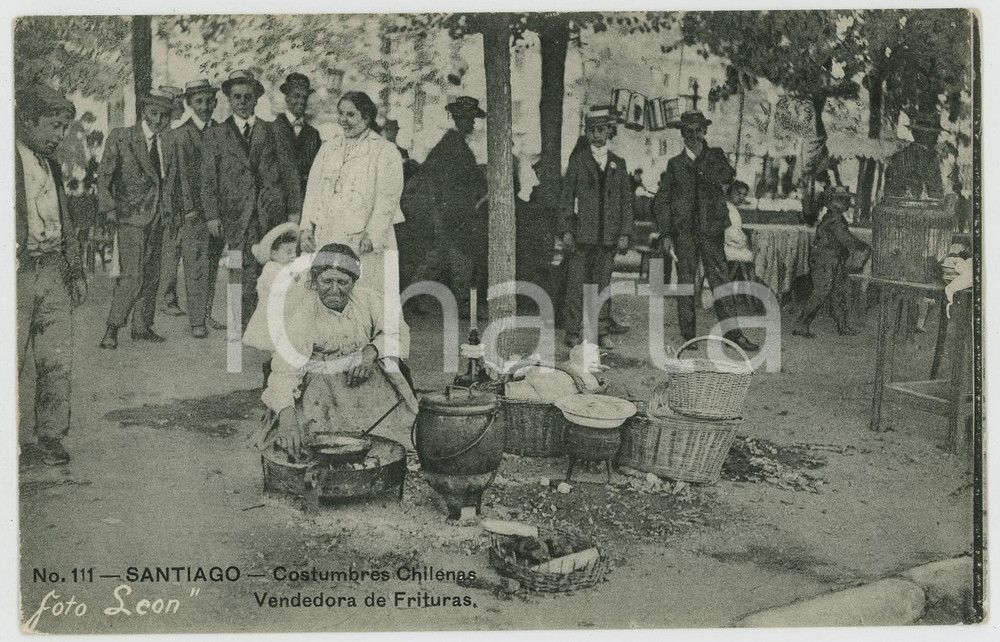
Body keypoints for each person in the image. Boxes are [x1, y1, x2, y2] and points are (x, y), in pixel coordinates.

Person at [259, 244, 418, 456]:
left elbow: (398, 332)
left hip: (366, 379)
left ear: (354, 282)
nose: (334, 290)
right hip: (323, 390)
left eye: (343, 282)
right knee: (318, 445)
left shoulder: (369, 300)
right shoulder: (304, 315)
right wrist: (287, 417)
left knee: (393, 439)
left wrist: (371, 351)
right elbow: (284, 371)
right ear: (314, 282)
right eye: (327, 281)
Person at [16, 84, 87, 465]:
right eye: (53, 126)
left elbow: (65, 220)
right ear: (27, 121)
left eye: (64, 127)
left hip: (54, 271)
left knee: (57, 359)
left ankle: (51, 436)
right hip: (17, 274)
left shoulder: (53, 165)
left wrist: (74, 271)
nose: (60, 135)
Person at [201, 69, 302, 332]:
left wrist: (293, 211)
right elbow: (208, 180)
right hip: (235, 216)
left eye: (248, 96)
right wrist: (212, 215)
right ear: (229, 100)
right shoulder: (216, 135)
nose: (243, 101)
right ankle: (241, 327)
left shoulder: (273, 131)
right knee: (238, 272)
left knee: (269, 272)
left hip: (270, 214)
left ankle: (267, 327)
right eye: (237, 97)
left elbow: (289, 172)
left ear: (256, 98)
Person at [654, 111, 759, 352]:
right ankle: (689, 335)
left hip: (711, 231)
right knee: (687, 283)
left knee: (720, 282)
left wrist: (702, 157)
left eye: (697, 130)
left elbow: (727, 176)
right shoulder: (675, 165)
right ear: (682, 134)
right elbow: (663, 201)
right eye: (688, 131)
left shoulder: (715, 157)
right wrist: (667, 234)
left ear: (704, 131)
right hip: (686, 233)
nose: (693, 135)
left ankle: (735, 335)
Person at [299, 91, 404, 302]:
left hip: (363, 237)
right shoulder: (329, 147)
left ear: (366, 118)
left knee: (364, 293)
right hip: (328, 233)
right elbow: (313, 190)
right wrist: (306, 228)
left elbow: (388, 198)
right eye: (341, 114)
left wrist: (373, 235)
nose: (343, 121)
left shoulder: (384, 150)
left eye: (350, 115)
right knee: (325, 288)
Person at [98, 88, 179, 349]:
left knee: (152, 274)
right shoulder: (122, 137)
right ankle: (112, 329)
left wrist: (169, 211)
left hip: (158, 218)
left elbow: (169, 181)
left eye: (165, 116)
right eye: (155, 113)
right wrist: (109, 209)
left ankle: (142, 327)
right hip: (130, 218)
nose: (159, 120)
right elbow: (104, 177)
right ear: (144, 111)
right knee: (133, 275)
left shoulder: (166, 142)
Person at [402, 96, 488, 314]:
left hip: (454, 212)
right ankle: (462, 304)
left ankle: (409, 298)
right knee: (460, 257)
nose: (473, 124)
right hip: (451, 213)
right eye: (469, 119)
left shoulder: (454, 144)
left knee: (439, 258)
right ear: (460, 119)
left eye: (473, 119)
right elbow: (438, 178)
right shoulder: (452, 145)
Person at [558, 106, 633, 349]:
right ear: (587, 133)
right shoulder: (579, 162)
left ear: (609, 132)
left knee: (602, 286)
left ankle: (601, 331)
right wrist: (567, 230)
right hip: (582, 236)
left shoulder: (618, 164)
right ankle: (573, 331)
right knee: (576, 285)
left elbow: (626, 202)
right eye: (591, 131)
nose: (596, 135)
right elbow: (567, 198)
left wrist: (624, 233)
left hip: (608, 237)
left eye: (601, 130)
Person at [159, 79, 220, 336]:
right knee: (195, 265)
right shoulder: (179, 135)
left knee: (213, 264)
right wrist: (188, 208)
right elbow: (178, 176)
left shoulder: (222, 131)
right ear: (189, 104)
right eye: (198, 102)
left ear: (215, 102)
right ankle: (197, 322)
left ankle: (206, 313)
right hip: (193, 212)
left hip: (218, 212)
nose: (205, 106)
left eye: (208, 101)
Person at [792, 186, 870, 338]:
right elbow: (846, 239)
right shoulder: (833, 221)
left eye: (844, 200)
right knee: (821, 293)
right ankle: (801, 324)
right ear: (829, 202)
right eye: (838, 200)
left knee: (838, 293)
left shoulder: (836, 219)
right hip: (824, 262)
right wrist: (863, 247)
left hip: (835, 261)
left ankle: (842, 326)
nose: (842, 204)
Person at [243, 222, 310, 386]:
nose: (293, 255)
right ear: (273, 253)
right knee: (278, 348)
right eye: (288, 252)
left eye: (294, 251)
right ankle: (271, 378)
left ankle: (287, 379)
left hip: (290, 315)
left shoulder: (292, 266)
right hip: (275, 317)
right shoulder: (271, 268)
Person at [272, 73, 322, 194]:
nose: (301, 101)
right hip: (278, 202)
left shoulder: (313, 134)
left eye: (304, 97)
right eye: (296, 96)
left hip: (305, 199)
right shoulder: (271, 130)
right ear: (287, 98)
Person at [884, 112, 945, 200]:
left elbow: (888, 191)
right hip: (921, 210)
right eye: (934, 134)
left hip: (896, 208)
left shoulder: (896, 157)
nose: (936, 138)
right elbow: (936, 193)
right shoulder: (930, 159)